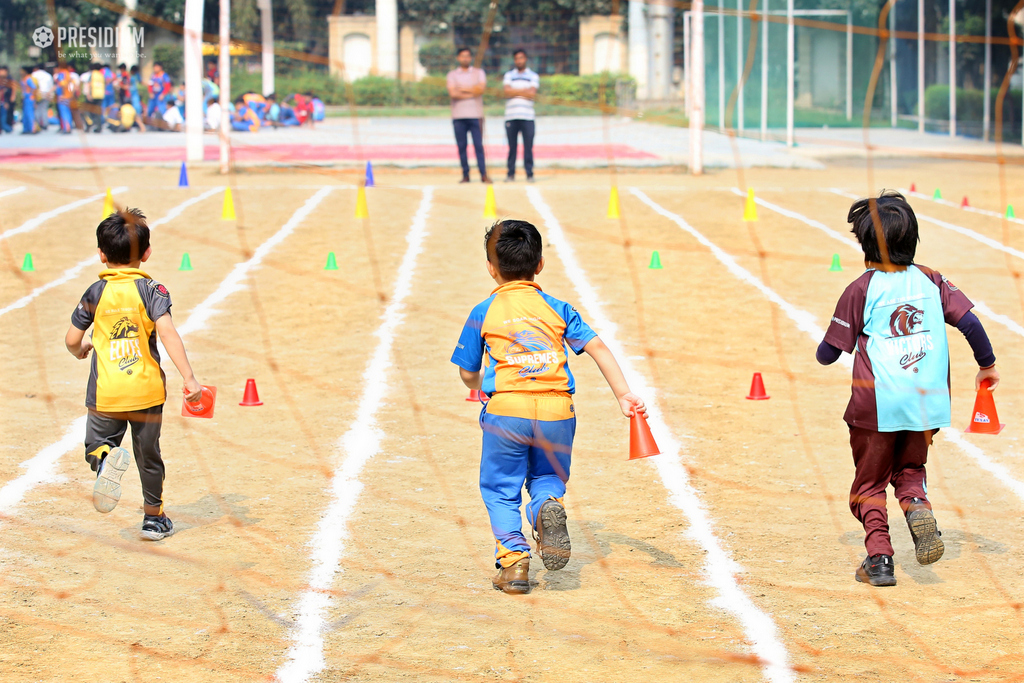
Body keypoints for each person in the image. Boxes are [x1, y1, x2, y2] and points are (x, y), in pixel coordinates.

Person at [450, 219, 647, 594]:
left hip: (507, 411)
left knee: (500, 488)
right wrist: (623, 395)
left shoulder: (483, 311)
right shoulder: (557, 307)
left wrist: (479, 385)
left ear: (491, 268)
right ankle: (543, 509)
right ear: (539, 264)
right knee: (546, 478)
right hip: (558, 410)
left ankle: (513, 563)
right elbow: (597, 347)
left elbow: (467, 371)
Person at [817, 191, 999, 587]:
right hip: (926, 403)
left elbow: (828, 354)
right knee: (910, 469)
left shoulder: (861, 289)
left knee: (869, 484)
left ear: (864, 245)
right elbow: (970, 323)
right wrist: (987, 366)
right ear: (912, 239)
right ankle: (917, 505)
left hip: (876, 406)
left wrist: (829, 343)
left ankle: (879, 559)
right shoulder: (932, 279)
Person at [64, 208, 203, 541]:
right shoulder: (153, 291)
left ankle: (103, 458)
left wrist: (80, 348)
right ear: (147, 253)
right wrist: (189, 378)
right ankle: (154, 519)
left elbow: (71, 339)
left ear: (101, 254)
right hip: (146, 391)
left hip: (105, 392)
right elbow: (168, 334)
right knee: (148, 456)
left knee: (97, 442)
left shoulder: (94, 293)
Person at [446, 47, 489, 183]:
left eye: (467, 56)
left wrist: (463, 89)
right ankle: (466, 174)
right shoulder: (452, 75)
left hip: (476, 115)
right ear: (458, 58)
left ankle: (483, 174)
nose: (465, 58)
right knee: (462, 147)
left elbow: (480, 90)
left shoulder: (479, 73)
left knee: (478, 146)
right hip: (458, 117)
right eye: (462, 56)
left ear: (471, 58)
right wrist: (472, 91)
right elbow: (453, 93)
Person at [502, 49, 540, 182]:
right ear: (514, 60)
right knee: (512, 147)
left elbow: (532, 94)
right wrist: (524, 91)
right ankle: (510, 174)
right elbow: (506, 92)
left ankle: (529, 174)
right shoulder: (508, 75)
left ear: (526, 59)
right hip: (511, 116)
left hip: (528, 116)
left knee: (528, 147)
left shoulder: (533, 75)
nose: (519, 61)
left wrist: (514, 91)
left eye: (521, 58)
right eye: (517, 58)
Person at [53, 64, 75, 133]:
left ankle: (67, 128)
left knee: (64, 113)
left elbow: (62, 84)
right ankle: (68, 127)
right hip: (68, 96)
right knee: (67, 112)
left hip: (63, 97)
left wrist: (63, 95)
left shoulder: (62, 74)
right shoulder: (68, 74)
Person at [31, 64, 53, 131]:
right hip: (46, 93)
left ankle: (37, 124)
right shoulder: (48, 75)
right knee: (44, 109)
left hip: (37, 93)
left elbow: (32, 85)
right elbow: (51, 85)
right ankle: (44, 124)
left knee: (37, 109)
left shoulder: (34, 74)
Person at [19, 66, 38, 134]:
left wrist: (33, 98)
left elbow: (34, 88)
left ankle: (33, 129)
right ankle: (26, 129)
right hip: (25, 98)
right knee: (25, 114)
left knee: (30, 114)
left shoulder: (28, 79)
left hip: (29, 98)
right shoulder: (23, 79)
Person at [0, 66, 14, 134]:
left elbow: (11, 91)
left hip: (4, 102)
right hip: (3, 102)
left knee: (4, 119)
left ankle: (9, 128)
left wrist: (7, 101)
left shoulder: (8, 79)